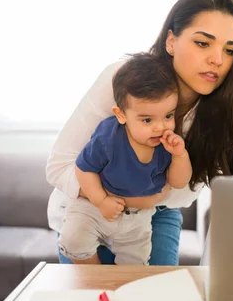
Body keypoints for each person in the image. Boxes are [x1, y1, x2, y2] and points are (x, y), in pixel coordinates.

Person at [46, 0, 233, 266]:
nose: (218, 60)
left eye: (229, 50)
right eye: (203, 43)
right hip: (89, 207)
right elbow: (58, 166)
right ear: (171, 41)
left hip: (158, 213)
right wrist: (111, 199)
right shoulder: (125, 81)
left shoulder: (229, 108)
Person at [58, 53, 192, 265]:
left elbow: (178, 182)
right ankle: (95, 279)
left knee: (135, 264)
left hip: (137, 217)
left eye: (168, 116)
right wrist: (101, 200)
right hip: (94, 206)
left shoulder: (167, 143)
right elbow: (84, 169)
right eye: (147, 119)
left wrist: (179, 155)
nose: (161, 126)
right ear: (121, 115)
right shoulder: (108, 136)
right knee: (73, 240)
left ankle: (122, 289)